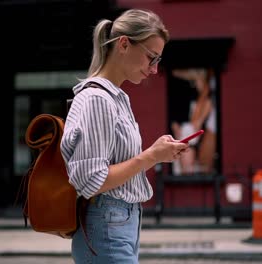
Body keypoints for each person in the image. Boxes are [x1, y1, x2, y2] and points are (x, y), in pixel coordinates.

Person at [60, 9, 189, 263]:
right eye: (151, 57)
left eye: (158, 61)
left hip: (119, 224)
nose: (154, 70)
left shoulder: (116, 98)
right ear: (123, 44)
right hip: (107, 225)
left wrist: (157, 154)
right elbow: (91, 181)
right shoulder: (97, 99)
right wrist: (151, 156)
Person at [170, 68, 216, 174]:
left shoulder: (204, 100)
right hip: (187, 133)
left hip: (190, 133)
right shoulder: (192, 97)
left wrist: (199, 121)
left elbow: (206, 100)